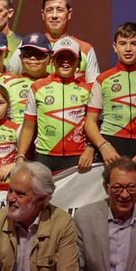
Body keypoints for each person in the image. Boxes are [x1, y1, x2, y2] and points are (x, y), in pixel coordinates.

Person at [93, 23, 136, 205]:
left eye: (134, 43)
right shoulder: (103, 79)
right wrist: (103, 146)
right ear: (115, 47)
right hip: (112, 146)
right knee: (111, 202)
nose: (128, 48)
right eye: (123, 43)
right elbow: (90, 122)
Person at [32, 38, 102, 175]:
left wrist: (90, 148)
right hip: (45, 156)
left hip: (79, 156)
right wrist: (21, 157)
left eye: (70, 57)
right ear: (52, 60)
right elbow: (28, 126)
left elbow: (96, 123)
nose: (65, 61)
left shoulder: (89, 89)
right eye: (60, 57)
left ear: (78, 63)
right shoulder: (37, 87)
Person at [9, 0, 98, 81]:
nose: (54, 15)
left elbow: (94, 89)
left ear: (69, 14)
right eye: (49, 10)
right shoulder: (27, 46)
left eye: (60, 10)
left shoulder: (85, 49)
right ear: (43, 14)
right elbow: (10, 79)